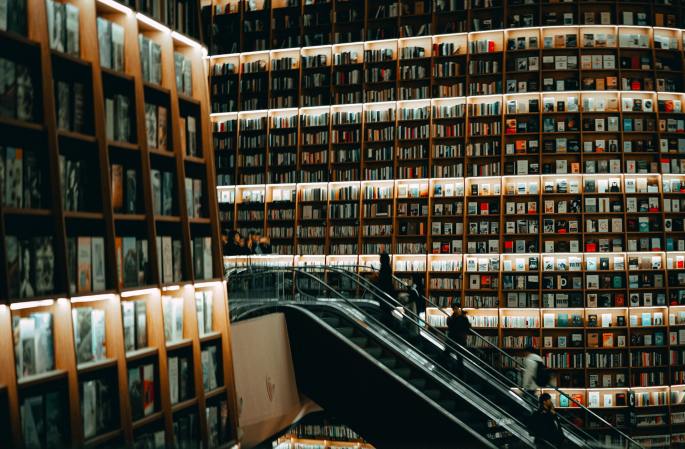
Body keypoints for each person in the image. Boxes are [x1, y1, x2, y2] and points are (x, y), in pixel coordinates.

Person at [445, 301, 470, 376]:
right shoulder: (452, 318)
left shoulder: (462, 318)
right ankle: (452, 370)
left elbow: (467, 327)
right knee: (448, 353)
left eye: (457, 308)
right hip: (453, 338)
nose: (456, 310)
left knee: (459, 357)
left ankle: (460, 373)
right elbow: (450, 326)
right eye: (454, 309)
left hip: (459, 339)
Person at [376, 251, 397, 328]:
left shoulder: (384, 268)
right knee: (388, 311)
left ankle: (387, 326)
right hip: (388, 292)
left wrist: (376, 278)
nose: (379, 260)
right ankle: (389, 326)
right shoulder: (388, 267)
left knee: (385, 311)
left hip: (384, 293)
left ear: (383, 259)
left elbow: (382, 281)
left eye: (381, 258)